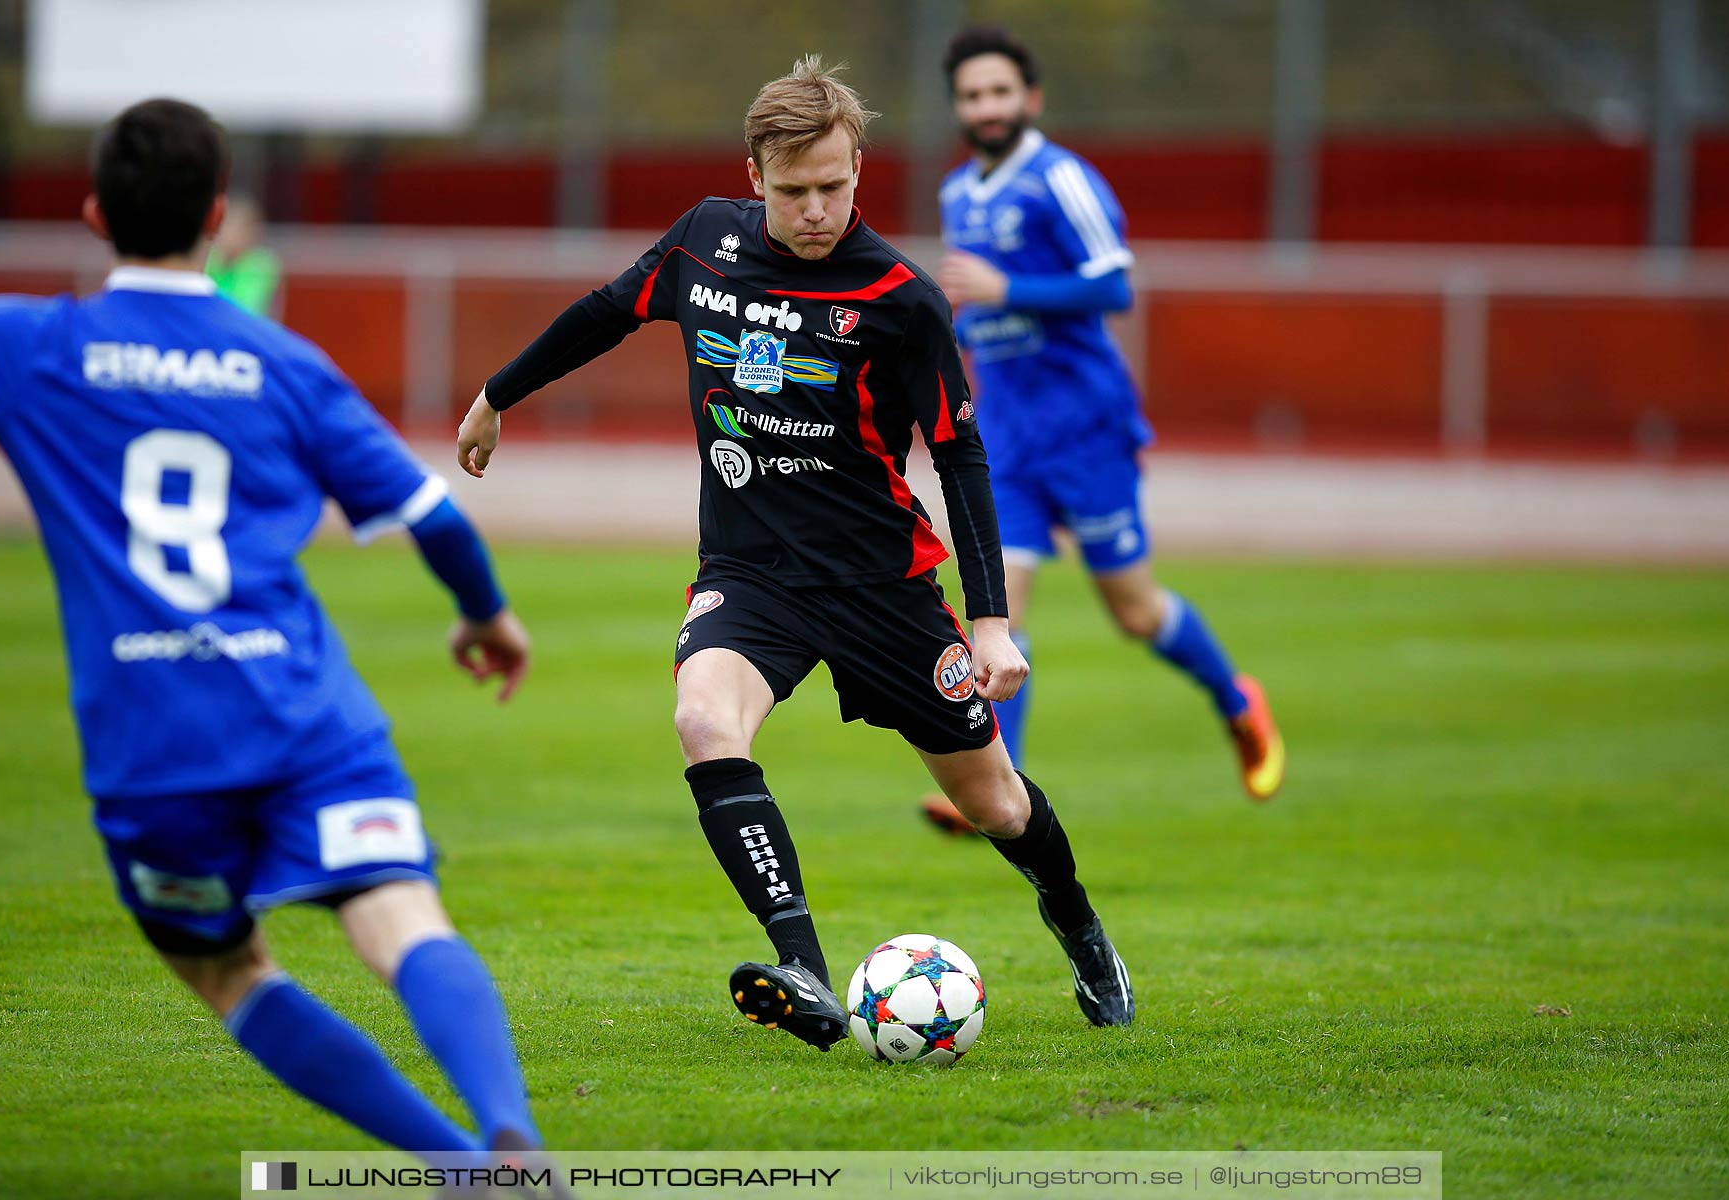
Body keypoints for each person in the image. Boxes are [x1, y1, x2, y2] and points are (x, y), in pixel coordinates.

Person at [457, 56, 1133, 1046]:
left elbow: (959, 452)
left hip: (883, 588)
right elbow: (607, 311)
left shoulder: (902, 300)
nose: (816, 210)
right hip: (751, 574)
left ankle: (1079, 928)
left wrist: (989, 620)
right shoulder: (704, 242)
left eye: (835, 186)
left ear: (858, 167)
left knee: (992, 798)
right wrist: (497, 395)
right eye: (793, 191)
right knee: (702, 721)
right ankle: (804, 972)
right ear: (754, 173)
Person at [0, 99, 543, 1158]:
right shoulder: (281, 362)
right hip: (300, 711)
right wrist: (487, 616)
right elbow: (433, 515)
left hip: (152, 748)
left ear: (91, 214)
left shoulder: (23, 345)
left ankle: (455, 1173)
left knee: (229, 972)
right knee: (403, 919)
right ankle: (510, 1138)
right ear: (219, 215)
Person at [919, 28, 1285, 836]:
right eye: (972, 96)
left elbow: (1115, 283)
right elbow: (979, 307)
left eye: (999, 93)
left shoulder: (1063, 180)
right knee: (998, 616)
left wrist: (1003, 287)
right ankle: (995, 787)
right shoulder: (958, 194)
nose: (986, 108)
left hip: (1084, 428)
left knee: (1136, 612)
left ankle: (1236, 699)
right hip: (1007, 440)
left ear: (1030, 99)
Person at [205, 194, 282, 317]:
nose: (229, 236)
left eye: (236, 229)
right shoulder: (207, 259)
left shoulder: (261, 265)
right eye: (226, 227)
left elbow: (249, 306)